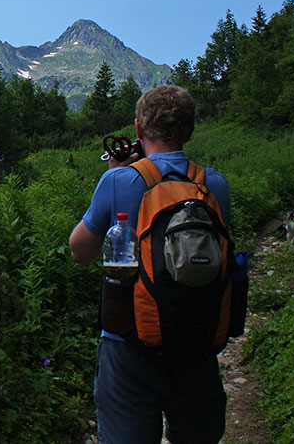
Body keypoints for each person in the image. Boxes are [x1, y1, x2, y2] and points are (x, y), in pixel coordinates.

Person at [69, 85, 232, 444]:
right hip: (197, 340)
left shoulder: (119, 179)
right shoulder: (214, 185)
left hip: (127, 345)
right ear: (189, 131)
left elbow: (80, 250)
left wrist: (115, 174)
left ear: (139, 130)